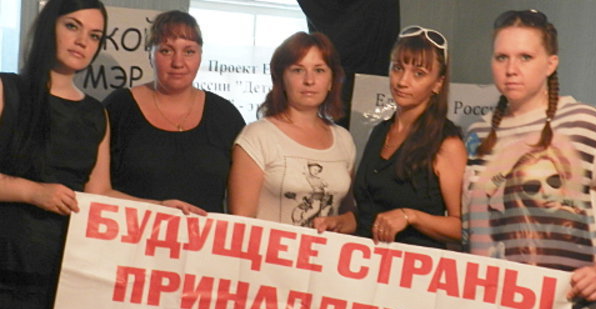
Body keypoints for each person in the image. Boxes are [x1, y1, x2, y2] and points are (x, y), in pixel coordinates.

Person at [462, 9, 596, 309]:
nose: (511, 69)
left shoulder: (585, 124)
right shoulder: (477, 133)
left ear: (550, 63)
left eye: (525, 57)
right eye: (501, 57)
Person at [0, 0, 108, 309]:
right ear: (50, 26)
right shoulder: (6, 90)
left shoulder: (96, 114)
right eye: (72, 26)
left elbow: (100, 193)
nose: (82, 42)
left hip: (64, 278)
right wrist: (32, 191)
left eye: (94, 35)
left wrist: (162, 209)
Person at [314, 26, 466, 248]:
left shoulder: (446, 143)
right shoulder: (380, 132)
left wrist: (410, 216)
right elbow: (370, 216)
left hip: (415, 272)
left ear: (438, 83)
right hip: (366, 267)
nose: (403, 81)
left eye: (419, 74)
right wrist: (339, 222)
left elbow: (462, 228)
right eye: (397, 68)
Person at [102, 10, 245, 212]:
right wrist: (159, 208)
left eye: (189, 51)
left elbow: (241, 205)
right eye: (166, 51)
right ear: (150, 54)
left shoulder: (226, 116)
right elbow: (97, 192)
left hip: (203, 242)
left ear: (201, 56)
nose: (178, 63)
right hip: (128, 239)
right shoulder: (118, 108)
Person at [228, 31, 356, 227]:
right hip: (267, 255)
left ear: (331, 81)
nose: (309, 80)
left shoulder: (344, 140)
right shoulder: (257, 136)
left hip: (324, 256)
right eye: (298, 70)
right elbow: (240, 223)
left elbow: (348, 217)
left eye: (319, 70)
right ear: (281, 79)